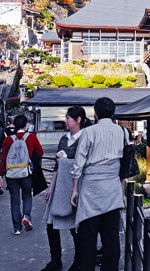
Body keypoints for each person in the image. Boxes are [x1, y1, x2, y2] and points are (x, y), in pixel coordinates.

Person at [71, 97, 125, 271]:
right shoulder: (122, 132)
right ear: (113, 113)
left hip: (91, 189)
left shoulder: (89, 132)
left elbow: (78, 163)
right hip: (112, 188)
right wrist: (122, 191)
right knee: (111, 237)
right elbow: (125, 166)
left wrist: (74, 189)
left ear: (95, 114)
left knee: (88, 237)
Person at [41, 106, 92, 271]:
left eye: (68, 118)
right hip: (60, 185)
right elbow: (56, 166)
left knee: (74, 227)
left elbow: (82, 161)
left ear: (78, 120)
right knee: (51, 224)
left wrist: (65, 157)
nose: (65, 120)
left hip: (77, 186)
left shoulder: (86, 138)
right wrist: (50, 187)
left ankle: (79, 260)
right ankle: (55, 260)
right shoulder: (64, 138)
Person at [0, 114, 44, 235]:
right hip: (26, 173)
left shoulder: (8, 140)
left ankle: (17, 228)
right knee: (27, 195)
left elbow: (3, 158)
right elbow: (40, 152)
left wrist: (0, 175)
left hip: (11, 173)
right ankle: (26, 216)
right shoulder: (31, 137)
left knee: (14, 200)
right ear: (26, 125)